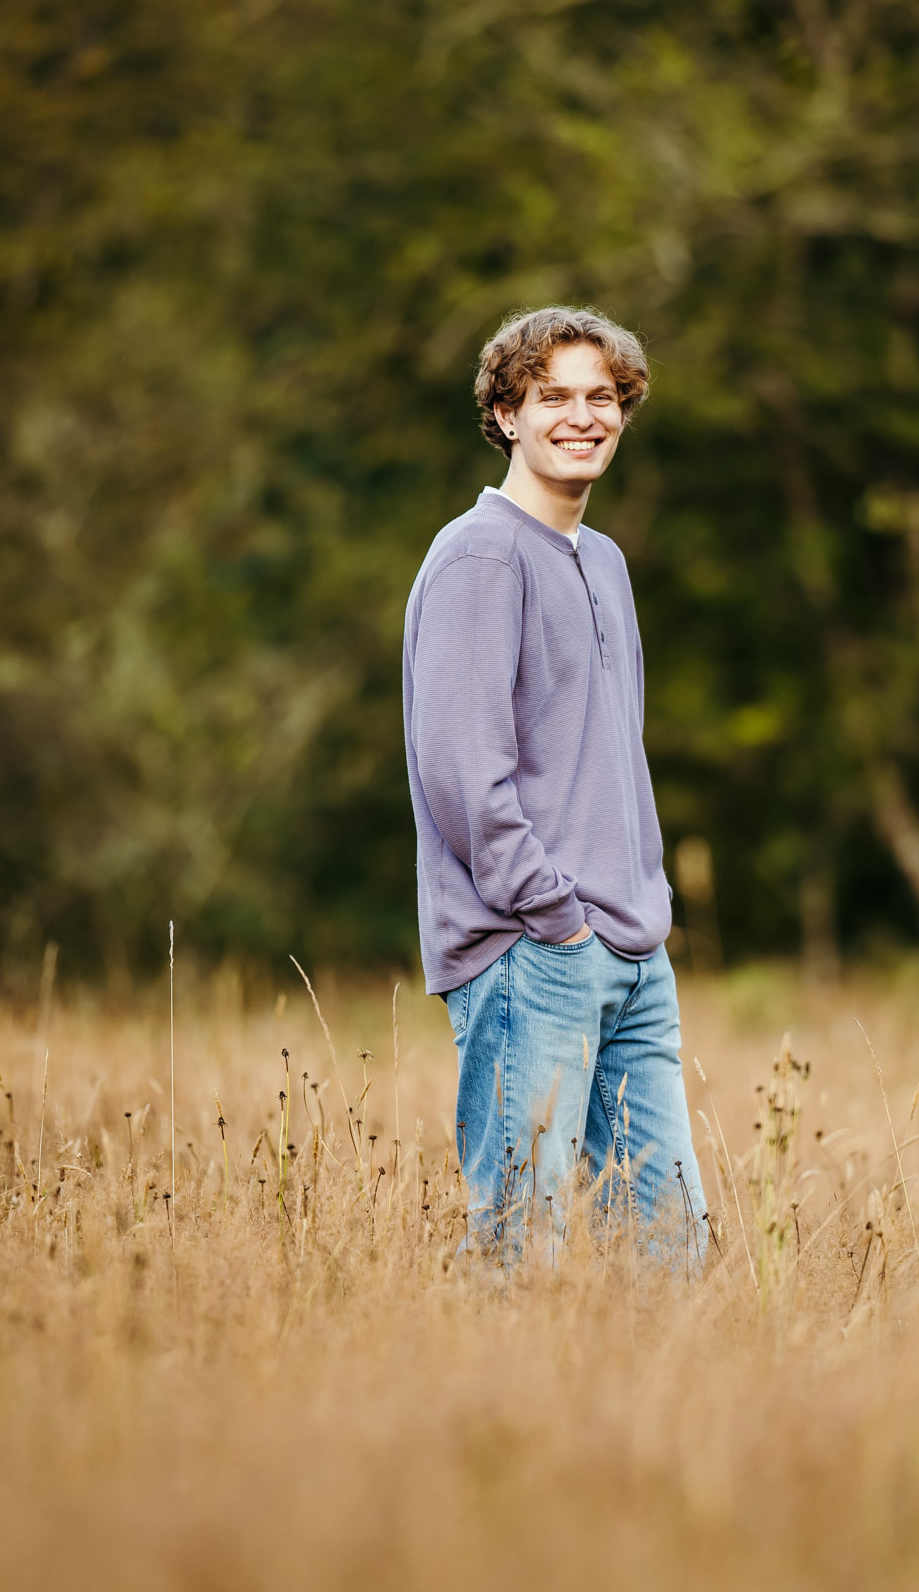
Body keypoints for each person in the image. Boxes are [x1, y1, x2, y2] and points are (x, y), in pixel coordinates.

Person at [402, 306, 709, 1263]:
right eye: (554, 397)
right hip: (533, 951)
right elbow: (461, 771)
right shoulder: (481, 555)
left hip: (631, 946)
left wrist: (639, 909)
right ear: (505, 412)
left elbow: (613, 757)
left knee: (669, 1248)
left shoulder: (602, 560)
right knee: (514, 1247)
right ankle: (484, 1415)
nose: (583, 417)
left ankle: (641, 1418)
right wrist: (555, 915)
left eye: (603, 397)